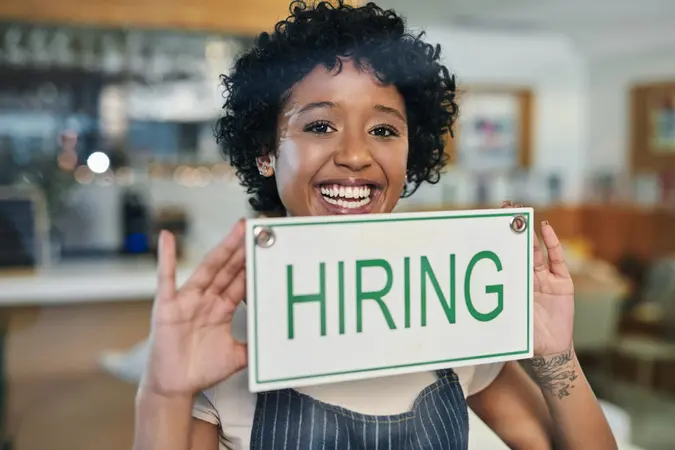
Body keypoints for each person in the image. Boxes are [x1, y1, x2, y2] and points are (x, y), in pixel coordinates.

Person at [133, 2, 618, 449]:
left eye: (383, 130)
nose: (355, 156)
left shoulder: (449, 310)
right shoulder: (222, 340)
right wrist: (164, 394)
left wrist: (557, 358)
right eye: (320, 126)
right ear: (265, 151)